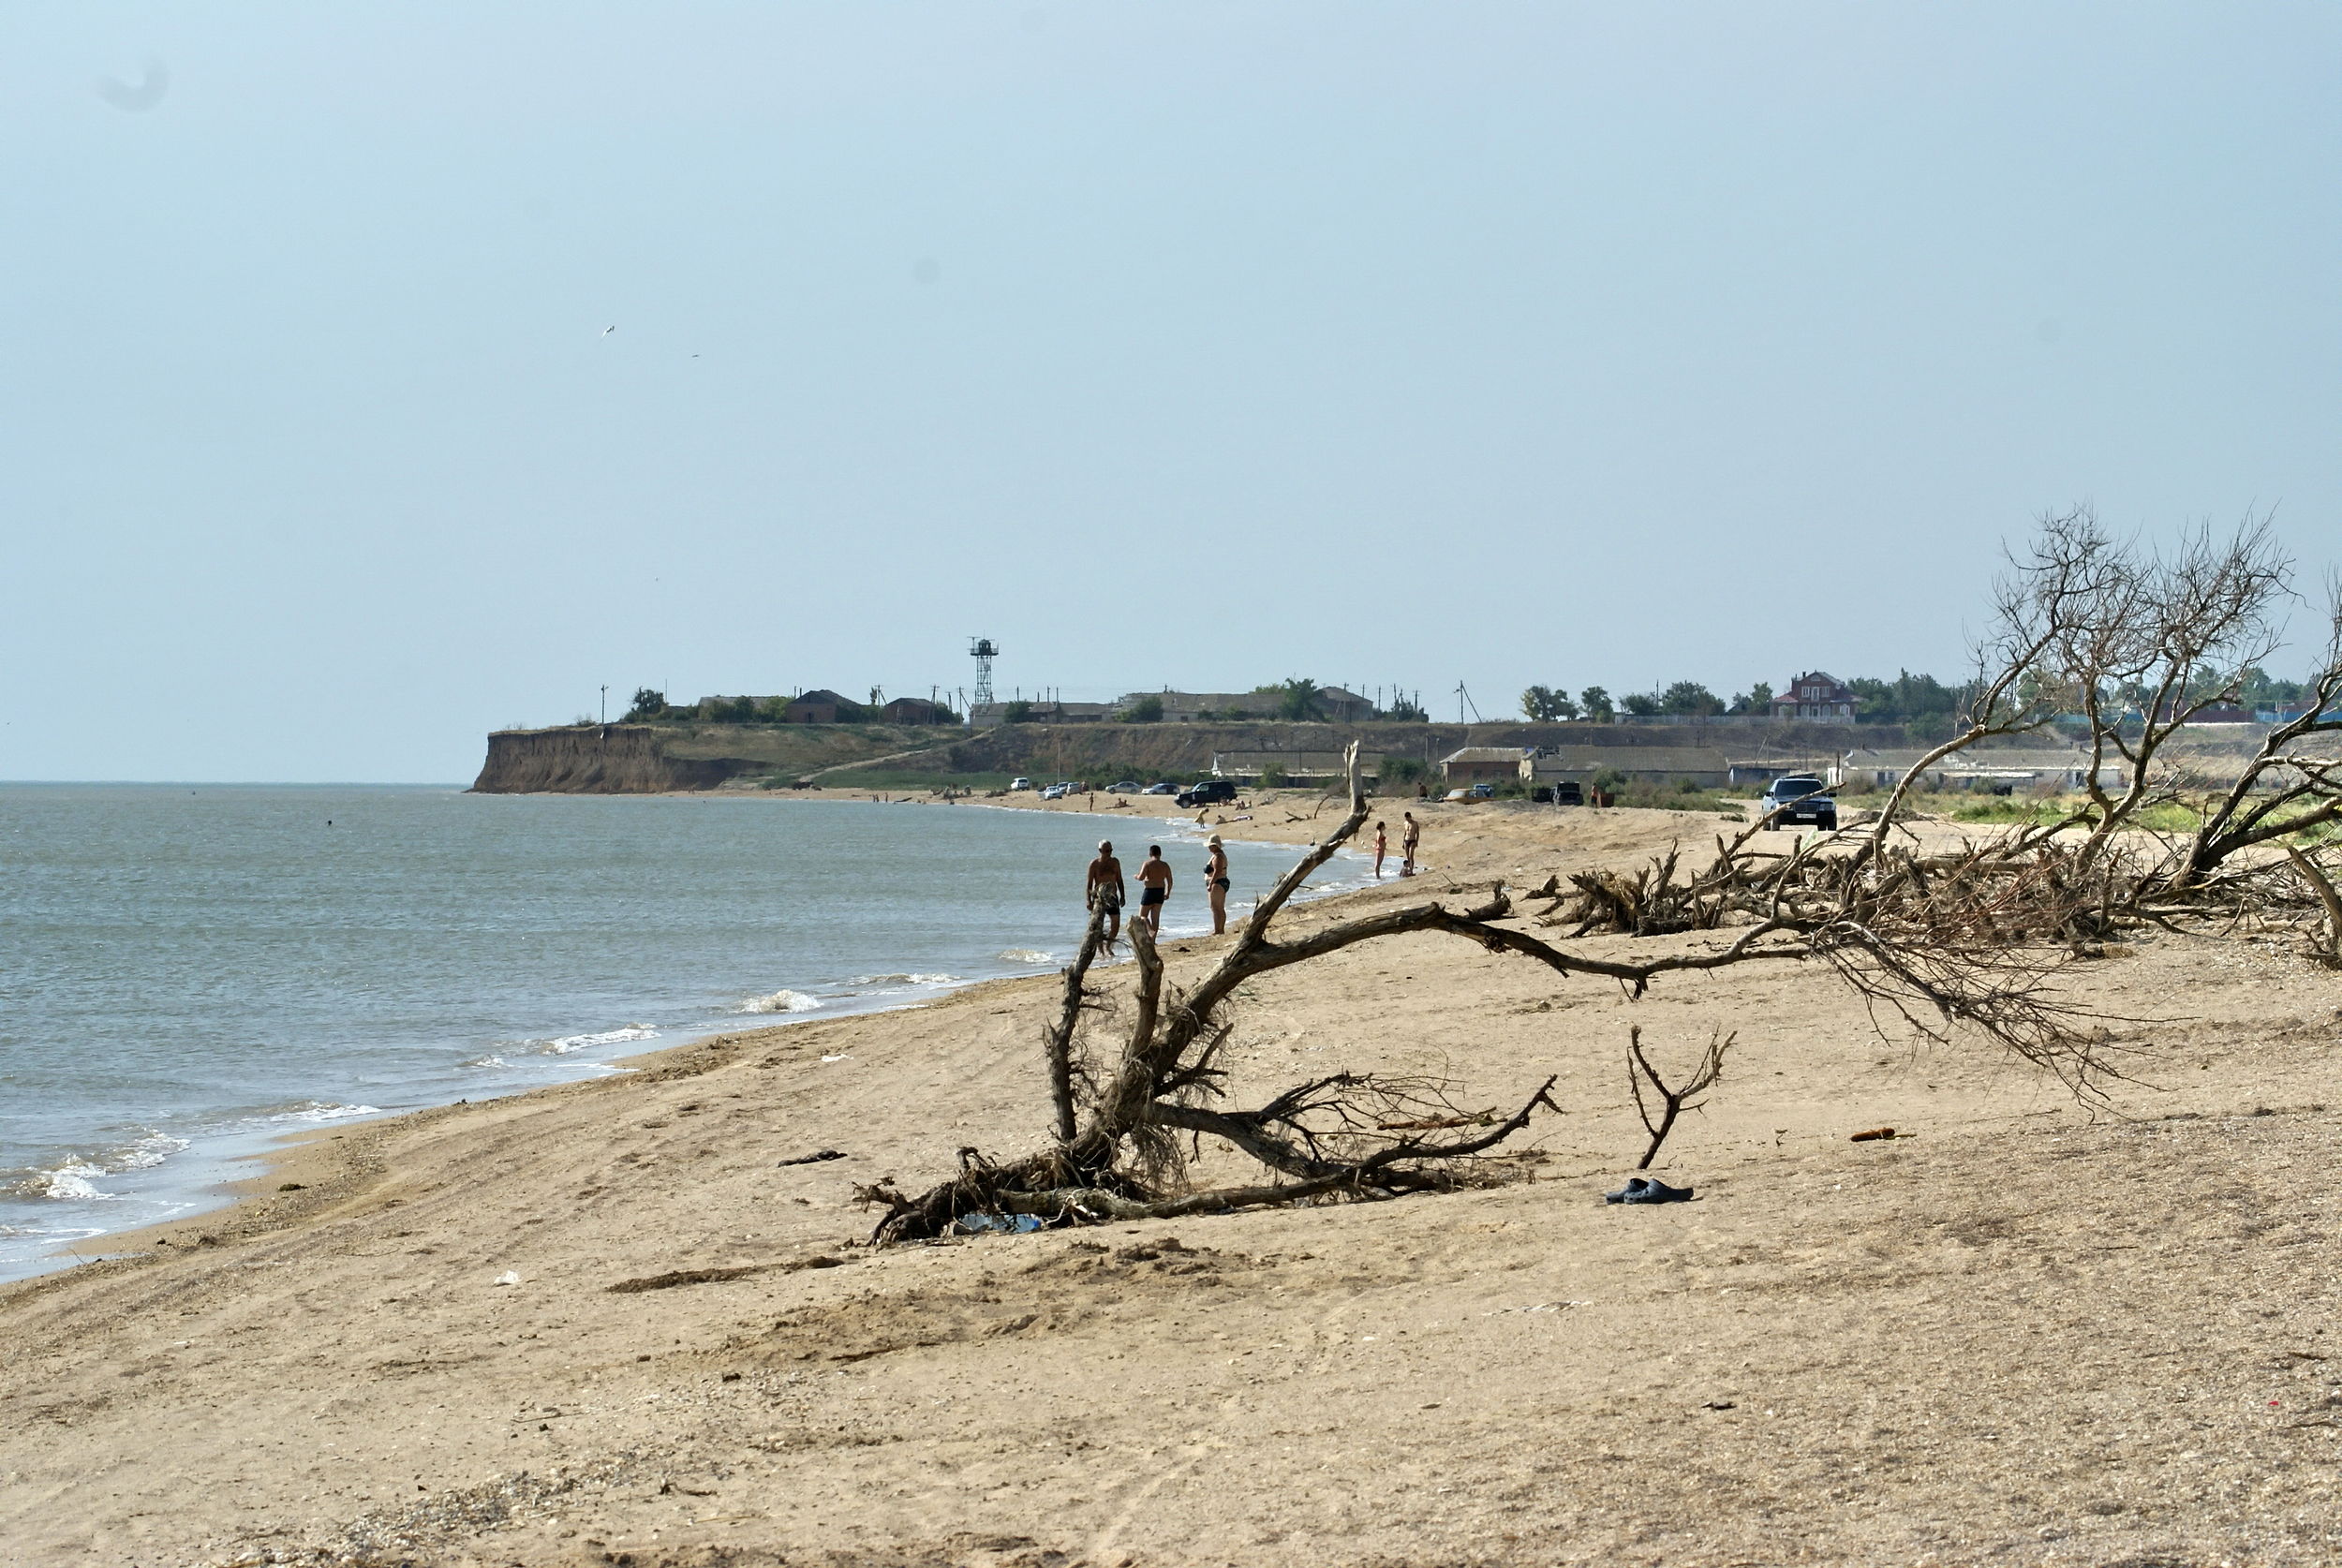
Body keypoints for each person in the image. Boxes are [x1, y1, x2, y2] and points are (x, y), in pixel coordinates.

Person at [1086, 841, 1126, 949]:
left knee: (1116, 924)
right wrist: (1088, 901)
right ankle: (1101, 950)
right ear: (1100, 851)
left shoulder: (1115, 862)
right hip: (1099, 898)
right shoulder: (1094, 864)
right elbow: (1089, 884)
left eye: (1111, 850)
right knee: (1098, 926)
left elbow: (1119, 880)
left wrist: (1123, 896)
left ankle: (1108, 946)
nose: (1109, 853)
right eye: (1107, 851)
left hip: (1112, 897)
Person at [1135, 843, 1174, 932]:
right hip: (1160, 891)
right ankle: (1153, 940)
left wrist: (1136, 876)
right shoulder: (1165, 865)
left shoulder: (1148, 864)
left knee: (1142, 917)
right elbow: (1170, 880)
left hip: (1149, 891)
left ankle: (1149, 933)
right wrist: (1168, 893)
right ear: (1160, 854)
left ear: (1150, 854)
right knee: (1155, 918)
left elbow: (1141, 877)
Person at [1204, 835, 1231, 934]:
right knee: (1220, 907)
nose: (1209, 848)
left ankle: (1217, 930)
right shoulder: (1219, 855)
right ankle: (1220, 929)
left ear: (1215, 846)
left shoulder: (1218, 856)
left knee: (1215, 907)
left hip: (1217, 882)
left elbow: (1217, 871)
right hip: (1221, 882)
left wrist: (1210, 884)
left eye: (1210, 846)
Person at [1401, 812, 1420, 877]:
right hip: (1406, 840)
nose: (1407, 820)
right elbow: (1405, 832)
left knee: (1411, 855)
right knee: (1408, 857)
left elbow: (1417, 833)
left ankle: (1411, 870)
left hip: (1412, 840)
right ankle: (1408, 870)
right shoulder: (1405, 823)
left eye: (1407, 818)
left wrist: (1417, 841)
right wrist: (1403, 842)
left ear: (1410, 817)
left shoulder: (1415, 823)